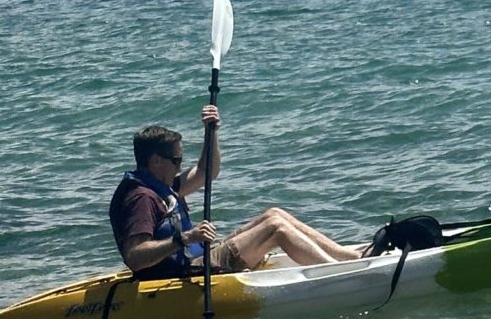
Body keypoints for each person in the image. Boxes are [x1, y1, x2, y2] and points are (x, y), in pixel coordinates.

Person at [109, 106, 364, 280]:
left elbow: (206, 172)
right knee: (276, 228)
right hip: (190, 272)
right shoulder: (141, 198)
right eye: (176, 160)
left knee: (274, 214)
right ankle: (340, 274)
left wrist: (212, 130)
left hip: (202, 258)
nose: (179, 165)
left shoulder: (162, 186)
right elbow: (135, 257)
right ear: (155, 161)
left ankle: (351, 258)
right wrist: (184, 238)